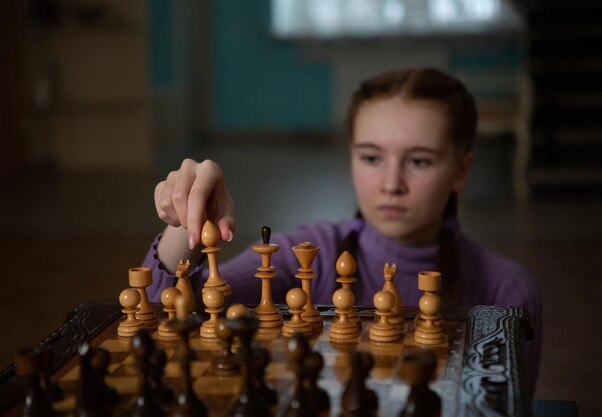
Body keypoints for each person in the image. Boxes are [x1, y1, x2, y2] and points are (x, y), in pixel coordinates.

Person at [143, 67, 542, 392]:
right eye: (371, 157)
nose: (391, 183)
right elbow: (172, 313)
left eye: (419, 161)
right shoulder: (309, 252)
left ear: (461, 170)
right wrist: (188, 220)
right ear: (350, 156)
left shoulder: (506, 291)